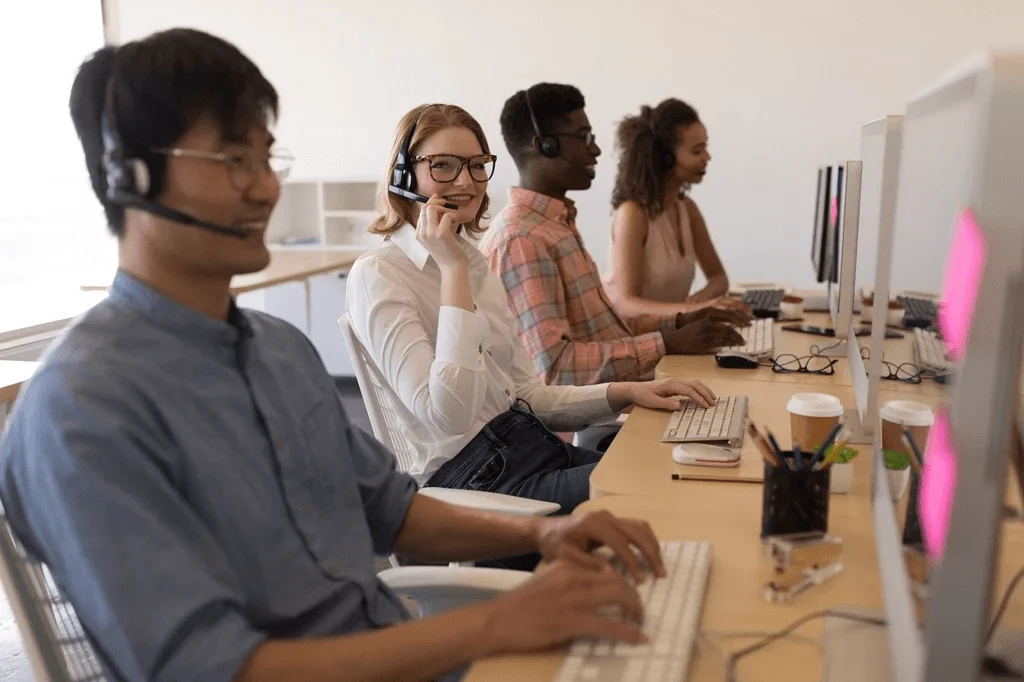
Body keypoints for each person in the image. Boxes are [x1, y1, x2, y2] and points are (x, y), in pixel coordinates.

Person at [0, 29, 669, 682]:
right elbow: (210, 667)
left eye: (266, 158)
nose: (265, 188)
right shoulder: (83, 408)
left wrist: (544, 537)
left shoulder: (279, 351)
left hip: (401, 649)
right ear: (130, 175)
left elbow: (392, 510)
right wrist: (495, 624)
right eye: (233, 159)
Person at [346, 103, 718, 519]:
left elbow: (525, 394)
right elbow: (449, 415)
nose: (466, 181)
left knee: (677, 469)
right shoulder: (380, 274)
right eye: (443, 166)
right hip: (471, 482)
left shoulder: (473, 263)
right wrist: (451, 270)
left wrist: (628, 392)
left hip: (524, 448)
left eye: (476, 165)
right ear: (404, 176)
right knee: (656, 491)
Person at [485, 83, 749, 388]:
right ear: (544, 145)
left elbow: (606, 333)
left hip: (622, 395)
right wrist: (667, 342)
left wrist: (679, 322)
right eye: (583, 137)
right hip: (590, 425)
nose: (595, 149)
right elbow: (556, 370)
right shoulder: (522, 240)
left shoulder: (557, 225)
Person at [604, 99, 740, 318]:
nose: (707, 158)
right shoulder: (632, 215)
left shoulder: (687, 209)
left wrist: (699, 302)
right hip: (627, 336)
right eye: (697, 151)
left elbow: (718, 278)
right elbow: (627, 303)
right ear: (666, 158)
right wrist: (693, 310)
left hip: (668, 333)